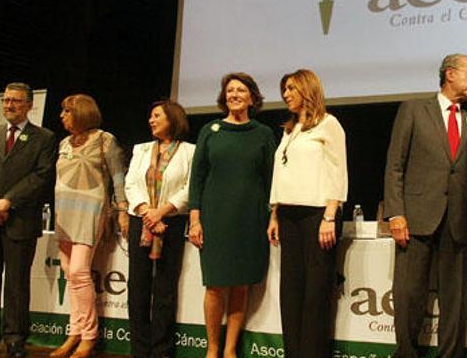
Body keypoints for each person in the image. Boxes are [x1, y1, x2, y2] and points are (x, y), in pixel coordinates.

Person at [383, 54, 467, 358]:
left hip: (459, 224)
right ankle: (405, 353)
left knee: (454, 301)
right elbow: (395, 166)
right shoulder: (414, 110)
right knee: (409, 296)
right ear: (450, 74)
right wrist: (396, 213)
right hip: (416, 219)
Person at [0, 82, 56, 358]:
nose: (9, 105)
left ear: (29, 105)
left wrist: (9, 201)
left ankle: (15, 339)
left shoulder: (44, 138)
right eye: (5, 100)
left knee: (17, 284)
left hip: (19, 222)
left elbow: (41, 177)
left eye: (15, 101)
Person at [188, 73, 276, 358]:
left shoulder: (263, 134)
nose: (234, 95)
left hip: (250, 219)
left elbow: (272, 179)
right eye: (229, 91)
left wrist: (272, 216)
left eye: (240, 90)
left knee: (240, 286)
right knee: (215, 286)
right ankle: (212, 349)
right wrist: (195, 218)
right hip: (215, 219)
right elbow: (197, 178)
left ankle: (229, 350)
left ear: (252, 97)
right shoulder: (209, 130)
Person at [267, 69, 347, 358]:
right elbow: (281, 173)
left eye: (291, 88)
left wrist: (330, 214)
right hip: (288, 215)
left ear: (307, 89)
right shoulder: (290, 130)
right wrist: (274, 214)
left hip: (318, 215)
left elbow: (338, 171)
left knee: (315, 294)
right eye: (284, 89)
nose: (286, 94)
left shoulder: (328, 124)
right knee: (291, 292)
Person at [50, 94, 129, 358]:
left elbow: (119, 178)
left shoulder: (105, 140)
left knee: (79, 271)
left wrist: (122, 211)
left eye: (67, 111)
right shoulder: (63, 143)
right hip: (64, 212)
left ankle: (89, 336)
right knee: (68, 272)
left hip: (90, 212)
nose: (62, 116)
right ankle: (74, 331)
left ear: (82, 113)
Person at [125, 100, 195, 358]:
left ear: (173, 119)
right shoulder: (141, 149)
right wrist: (146, 212)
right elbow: (131, 183)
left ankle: (162, 350)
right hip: (141, 220)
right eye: (150, 116)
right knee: (138, 287)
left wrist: (161, 212)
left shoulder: (190, 151)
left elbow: (190, 188)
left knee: (165, 288)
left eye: (157, 116)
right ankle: (139, 350)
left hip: (171, 221)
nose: (151, 121)